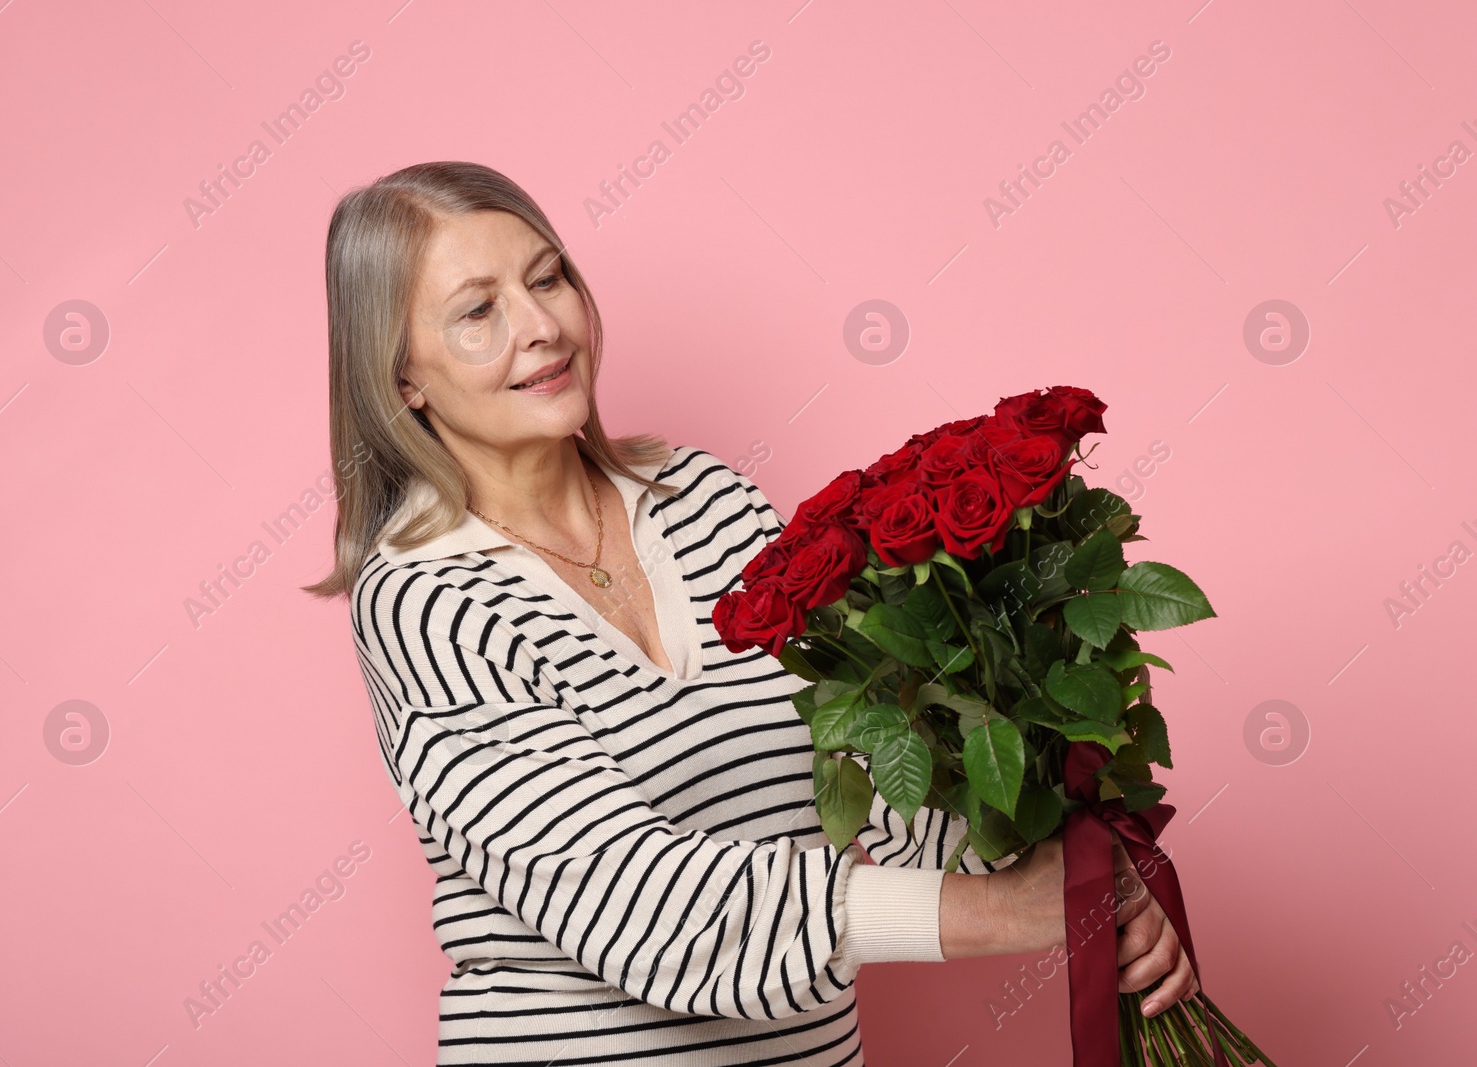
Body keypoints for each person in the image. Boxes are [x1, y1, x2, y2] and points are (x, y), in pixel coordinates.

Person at [305, 161, 1197, 1065]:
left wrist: (1075, 873)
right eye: (477, 311)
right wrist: (1001, 911)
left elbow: (872, 764)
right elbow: (635, 905)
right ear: (402, 378)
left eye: (548, 277)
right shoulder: (426, 599)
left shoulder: (708, 499)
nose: (542, 327)